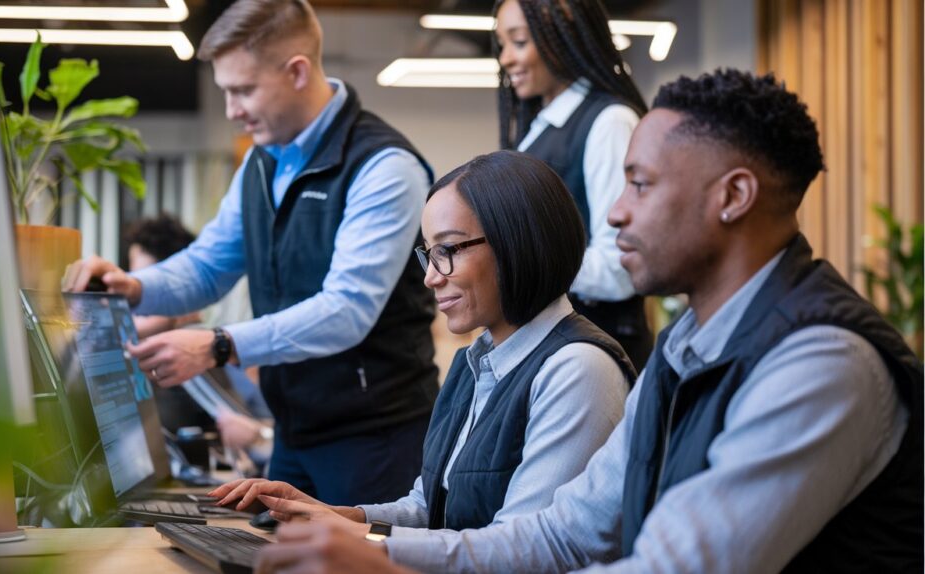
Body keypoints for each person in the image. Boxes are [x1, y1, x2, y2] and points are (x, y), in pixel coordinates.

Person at [254, 69, 923, 574]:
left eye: (640, 183)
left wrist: (387, 565)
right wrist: (367, 541)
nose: (615, 213)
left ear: (734, 197)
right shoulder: (685, 347)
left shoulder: (822, 362)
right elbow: (565, 532)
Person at [64, 0, 440, 506]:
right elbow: (210, 264)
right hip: (294, 433)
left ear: (298, 71)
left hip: (375, 440)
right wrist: (135, 287)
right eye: (225, 91)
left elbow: (347, 311)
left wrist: (218, 345)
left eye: (243, 90)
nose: (231, 110)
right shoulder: (261, 165)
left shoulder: (384, 168)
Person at [210, 151, 634, 540]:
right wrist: (338, 517)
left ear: (518, 242)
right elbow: (428, 508)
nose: (431, 276)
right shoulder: (478, 362)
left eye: (447, 250)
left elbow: (522, 550)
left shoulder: (579, 369)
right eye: (428, 254)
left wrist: (359, 542)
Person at [494, 0, 652, 369]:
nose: (505, 59)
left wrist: (517, 262)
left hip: (596, 356)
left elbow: (619, 270)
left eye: (518, 42)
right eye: (501, 44)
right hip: (555, 351)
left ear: (563, 38)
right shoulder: (540, 126)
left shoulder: (609, 122)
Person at [124, 213, 273, 456]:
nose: (133, 302)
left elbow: (252, 433)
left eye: (148, 284)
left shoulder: (191, 351)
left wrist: (259, 436)